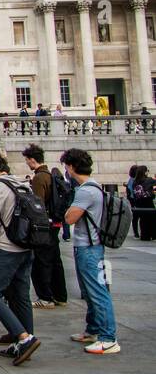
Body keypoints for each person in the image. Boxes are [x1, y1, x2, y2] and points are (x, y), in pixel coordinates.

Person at [0, 153, 41, 364]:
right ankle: (23, 341)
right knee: (20, 296)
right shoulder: (24, 185)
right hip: (26, 247)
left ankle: (23, 337)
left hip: (5, 249)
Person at [60, 148, 120, 354]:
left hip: (89, 247)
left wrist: (69, 210)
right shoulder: (92, 187)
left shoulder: (86, 190)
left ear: (71, 167)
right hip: (88, 246)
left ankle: (108, 337)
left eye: (66, 166)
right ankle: (93, 329)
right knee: (90, 290)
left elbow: (69, 218)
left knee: (97, 291)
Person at [23, 144, 68, 308]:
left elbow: (36, 205)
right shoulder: (50, 174)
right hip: (54, 224)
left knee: (41, 261)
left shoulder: (39, 178)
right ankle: (60, 295)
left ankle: (45, 297)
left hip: (43, 226)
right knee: (55, 260)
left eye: (27, 160)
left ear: (33, 160)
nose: (27, 163)